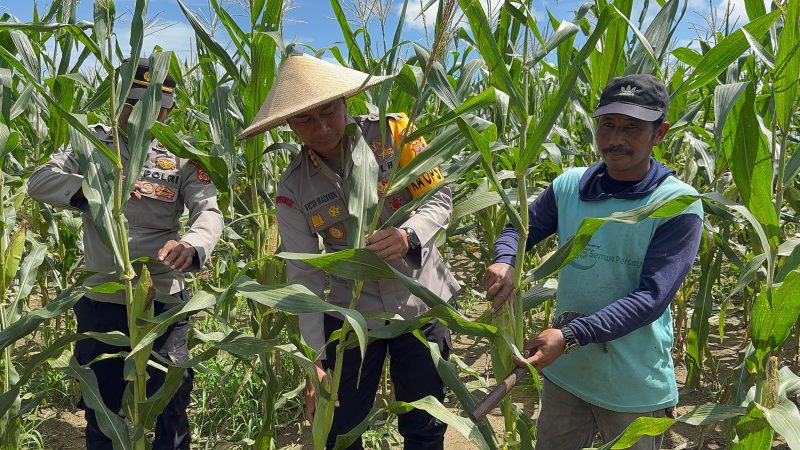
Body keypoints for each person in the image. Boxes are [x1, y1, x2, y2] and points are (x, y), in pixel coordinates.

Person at [238, 52, 459, 450]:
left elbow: (440, 199)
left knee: (423, 425)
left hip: (420, 302)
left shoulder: (395, 135)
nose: (322, 127)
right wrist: (314, 359)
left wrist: (408, 235)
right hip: (354, 317)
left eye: (329, 111)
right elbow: (303, 275)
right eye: (305, 119)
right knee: (342, 427)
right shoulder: (292, 187)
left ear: (346, 102)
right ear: (288, 124)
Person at [483, 74, 703, 449]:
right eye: (608, 125)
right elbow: (519, 231)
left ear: (660, 132)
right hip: (566, 374)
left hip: (632, 383)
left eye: (632, 128)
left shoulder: (678, 204)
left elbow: (652, 297)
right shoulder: (569, 186)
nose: (616, 139)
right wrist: (506, 259)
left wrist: (570, 336)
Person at [27, 58, 224, 450]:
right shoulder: (91, 144)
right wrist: (94, 189)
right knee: (103, 407)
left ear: (168, 109)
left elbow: (209, 211)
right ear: (118, 100)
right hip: (103, 297)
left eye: (153, 107)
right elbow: (39, 181)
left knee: (171, 403)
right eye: (132, 103)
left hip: (164, 299)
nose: (138, 115)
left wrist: (193, 244)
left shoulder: (181, 155)